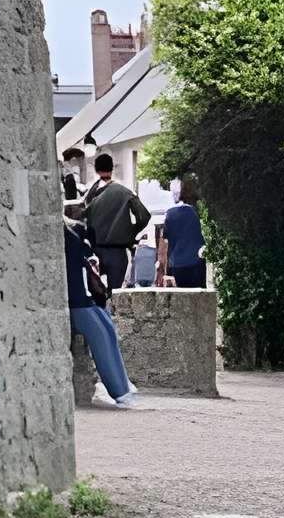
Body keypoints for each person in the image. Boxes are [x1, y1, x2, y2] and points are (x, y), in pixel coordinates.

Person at [66, 217, 137, 407]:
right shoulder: (69, 231)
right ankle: (119, 391)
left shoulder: (72, 230)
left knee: (107, 329)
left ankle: (123, 384)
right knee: (101, 335)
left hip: (81, 297)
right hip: (76, 301)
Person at [84, 152, 152, 293]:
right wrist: (130, 232)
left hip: (95, 252)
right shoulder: (125, 192)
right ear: (112, 169)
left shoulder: (90, 195)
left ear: (96, 170)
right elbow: (144, 216)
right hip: (118, 253)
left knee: (96, 295)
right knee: (115, 296)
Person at [157, 173, 208, 289]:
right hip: (197, 263)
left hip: (177, 265)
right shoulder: (199, 213)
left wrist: (162, 269)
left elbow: (164, 243)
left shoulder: (170, 215)